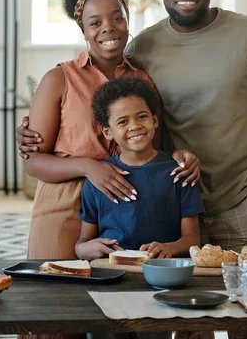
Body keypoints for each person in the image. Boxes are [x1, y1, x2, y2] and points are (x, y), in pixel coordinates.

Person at [19, 0, 247, 256]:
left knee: (244, 294)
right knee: (66, 298)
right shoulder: (121, 57)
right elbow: (38, 154)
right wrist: (54, 148)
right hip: (112, 206)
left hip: (217, 200)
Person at [20, 0, 200, 260]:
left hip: (129, 208)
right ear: (83, 29)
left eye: (117, 18)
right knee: (56, 295)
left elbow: (154, 149)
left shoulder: (143, 80)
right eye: (95, 22)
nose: (108, 28)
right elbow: (34, 162)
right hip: (63, 205)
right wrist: (88, 166)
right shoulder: (59, 79)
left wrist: (180, 156)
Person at [75, 76, 204, 262]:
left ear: (154, 120)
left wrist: (169, 248)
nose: (135, 126)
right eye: (122, 122)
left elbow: (192, 239)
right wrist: (85, 249)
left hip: (163, 269)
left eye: (142, 116)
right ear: (107, 132)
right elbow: (83, 243)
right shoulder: (99, 179)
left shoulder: (180, 172)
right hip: (113, 272)